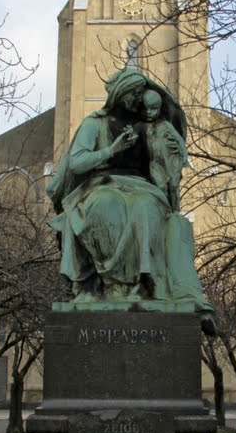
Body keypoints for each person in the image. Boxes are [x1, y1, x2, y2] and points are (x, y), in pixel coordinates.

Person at [47, 68, 213, 327]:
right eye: (134, 93)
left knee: (145, 209)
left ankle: (140, 285)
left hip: (143, 188)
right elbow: (77, 163)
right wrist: (112, 150)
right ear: (120, 94)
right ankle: (110, 285)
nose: (138, 98)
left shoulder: (151, 127)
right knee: (106, 206)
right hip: (100, 184)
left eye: (140, 93)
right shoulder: (94, 124)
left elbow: (168, 162)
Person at [139, 88, 188, 212]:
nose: (149, 112)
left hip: (170, 161)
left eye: (153, 109)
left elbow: (180, 141)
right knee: (160, 185)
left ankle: (175, 211)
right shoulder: (142, 126)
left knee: (173, 185)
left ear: (159, 109)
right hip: (155, 162)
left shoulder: (165, 125)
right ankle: (163, 211)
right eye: (146, 109)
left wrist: (184, 156)